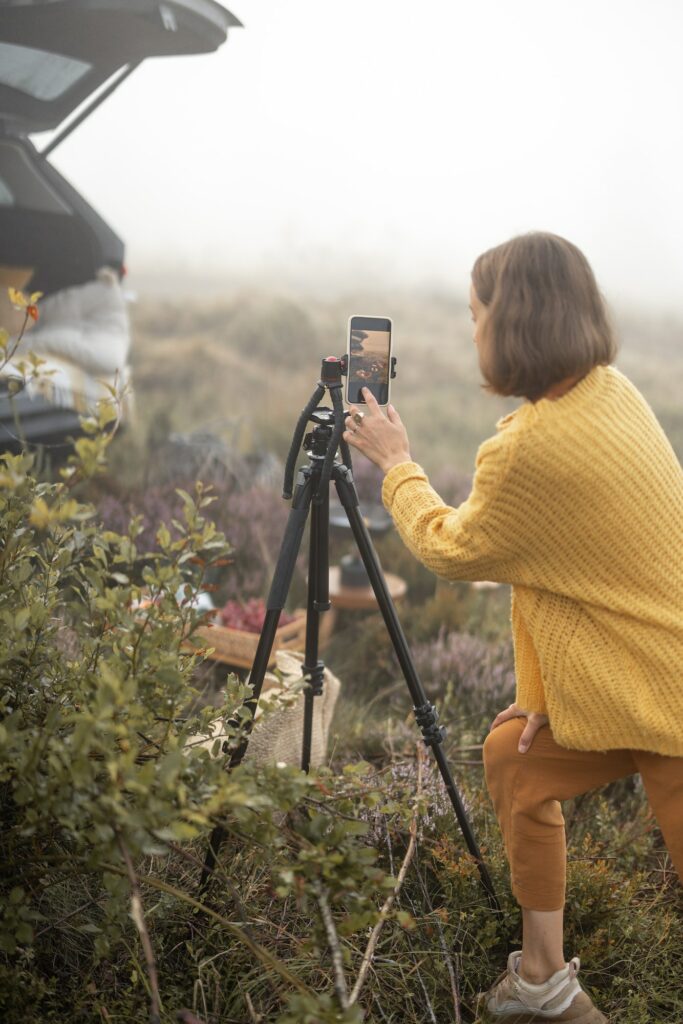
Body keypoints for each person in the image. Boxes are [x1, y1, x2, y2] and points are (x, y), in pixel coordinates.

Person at [342, 231, 683, 1024]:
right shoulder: (609, 389)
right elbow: (561, 572)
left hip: (667, 697)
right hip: (634, 673)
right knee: (515, 757)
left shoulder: (532, 448)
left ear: (512, 321)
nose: (472, 331)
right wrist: (538, 694)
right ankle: (543, 980)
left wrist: (396, 462)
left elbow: (449, 549)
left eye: (475, 313)